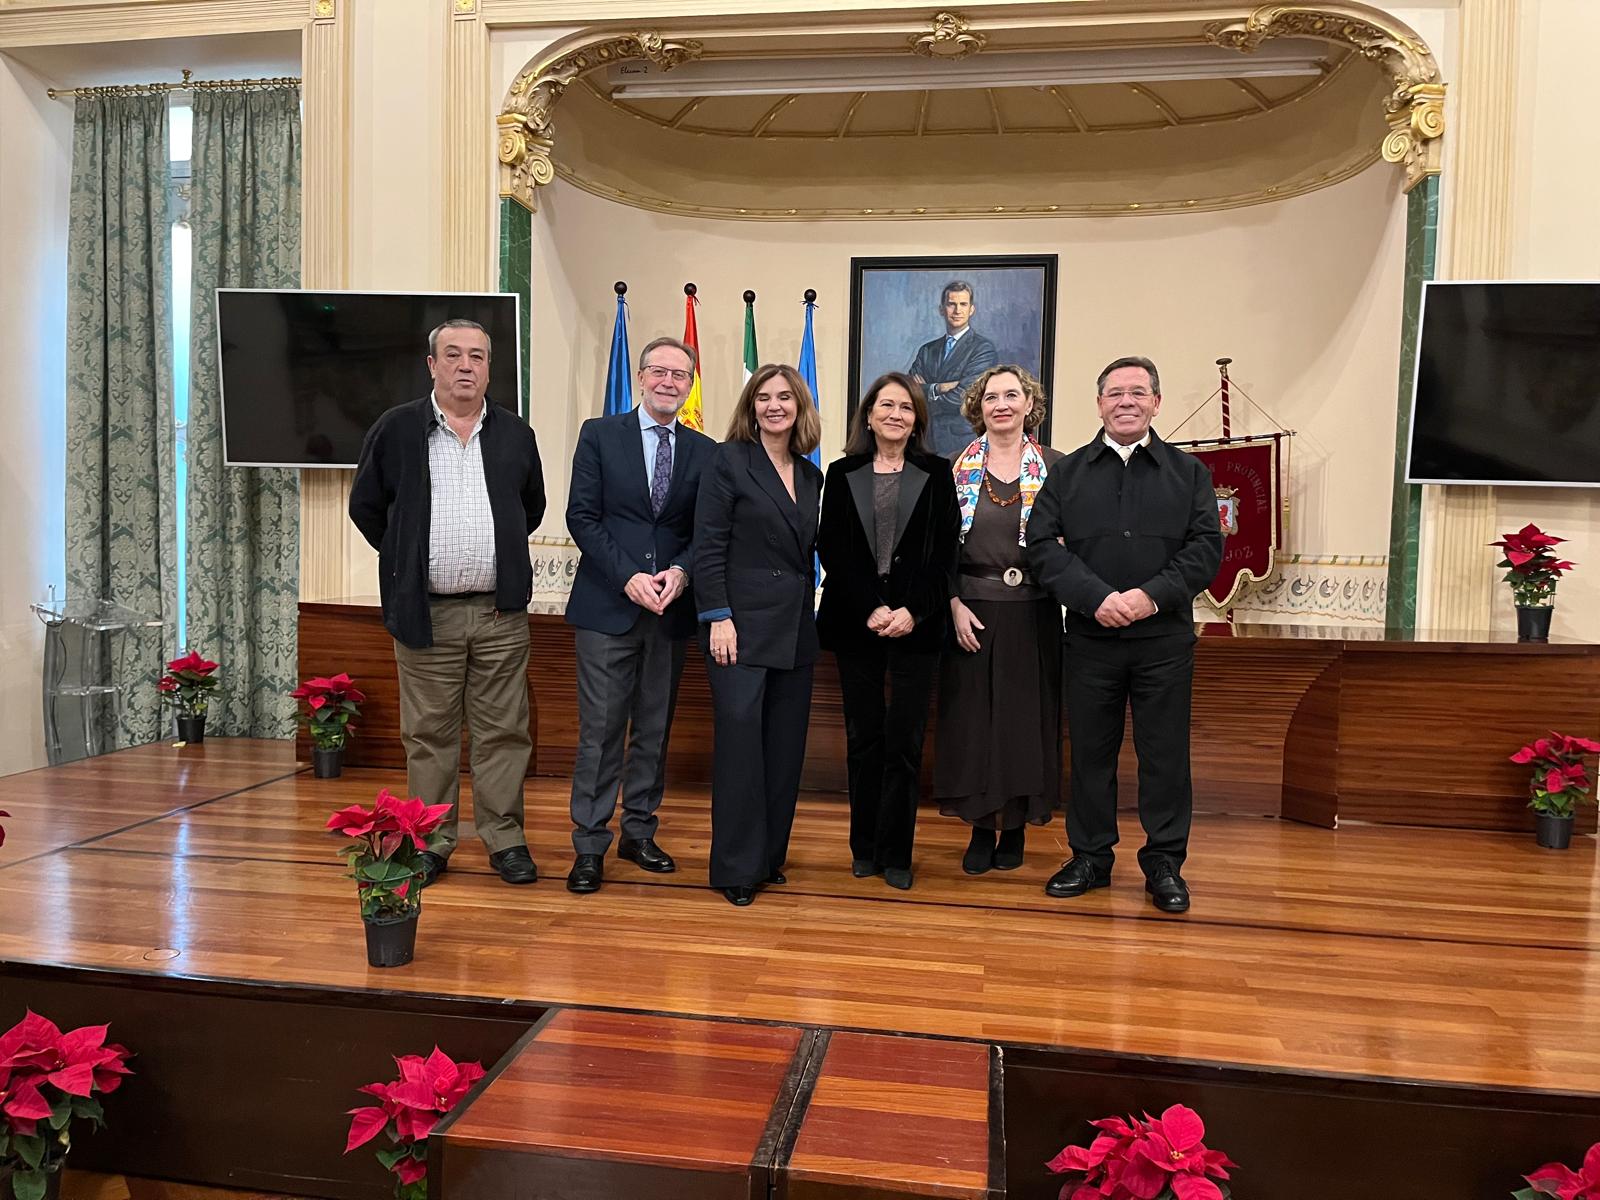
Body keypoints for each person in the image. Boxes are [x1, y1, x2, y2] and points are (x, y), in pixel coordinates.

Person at [349, 318, 546, 888]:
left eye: (477, 356)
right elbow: (367, 507)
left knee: (504, 732)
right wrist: (407, 556)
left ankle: (505, 838)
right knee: (428, 735)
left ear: (489, 367)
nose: (466, 365)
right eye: (453, 354)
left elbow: (530, 508)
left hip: (499, 614)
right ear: (432, 365)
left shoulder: (515, 434)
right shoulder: (397, 429)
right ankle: (430, 841)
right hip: (426, 614)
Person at [1026, 356, 1223, 913]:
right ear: (1099, 405)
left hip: (1164, 642)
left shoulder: (1189, 473)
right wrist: (1097, 599)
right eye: (1115, 393)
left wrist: (1148, 597)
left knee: (1165, 757)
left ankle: (1164, 862)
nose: (1126, 401)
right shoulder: (1067, 473)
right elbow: (1040, 547)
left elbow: (1206, 549)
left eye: (1138, 392)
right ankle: (1091, 857)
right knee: (1091, 755)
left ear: (1156, 403)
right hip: (1092, 641)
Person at [562, 336, 715, 894]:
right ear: (641, 376)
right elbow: (582, 516)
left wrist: (682, 572)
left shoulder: (706, 451)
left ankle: (639, 831)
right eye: (660, 371)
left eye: (681, 374)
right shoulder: (600, 435)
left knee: (654, 727)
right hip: (608, 605)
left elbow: (707, 530)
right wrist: (627, 576)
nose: (670, 382)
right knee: (601, 731)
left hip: (670, 609)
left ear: (690, 384)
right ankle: (589, 844)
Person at [817, 373, 959, 891]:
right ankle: (864, 848)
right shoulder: (841, 472)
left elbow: (946, 555)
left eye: (905, 407)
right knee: (863, 738)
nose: (895, 414)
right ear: (869, 416)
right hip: (857, 624)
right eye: (886, 406)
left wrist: (912, 611)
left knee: (904, 741)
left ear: (917, 419)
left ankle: (897, 852)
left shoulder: (937, 473)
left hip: (916, 628)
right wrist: (872, 608)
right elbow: (832, 549)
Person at [693, 363, 824, 907]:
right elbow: (708, 544)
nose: (774, 406)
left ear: (799, 407)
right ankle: (735, 868)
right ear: (751, 407)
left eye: (785, 397)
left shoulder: (812, 476)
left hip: (794, 629)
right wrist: (718, 615)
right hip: (739, 628)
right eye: (764, 397)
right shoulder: (729, 461)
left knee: (783, 751)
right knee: (742, 749)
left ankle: (768, 858)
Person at [932, 365, 1064, 875]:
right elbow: (936, 550)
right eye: (991, 397)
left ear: (1029, 404)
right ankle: (981, 828)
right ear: (978, 407)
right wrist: (952, 603)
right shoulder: (953, 468)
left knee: (1022, 722)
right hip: (971, 611)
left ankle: (1015, 829)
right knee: (974, 724)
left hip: (1034, 612)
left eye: (1012, 395)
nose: (1002, 404)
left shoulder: (1056, 466)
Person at [908, 280, 998, 455]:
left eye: (963, 304)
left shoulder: (983, 349)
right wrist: (939, 388)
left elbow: (964, 396)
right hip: (924, 441)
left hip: (961, 443)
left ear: (971, 309)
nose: (957, 310)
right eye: (951, 304)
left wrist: (926, 391)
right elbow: (909, 391)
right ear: (942, 309)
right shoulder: (927, 350)